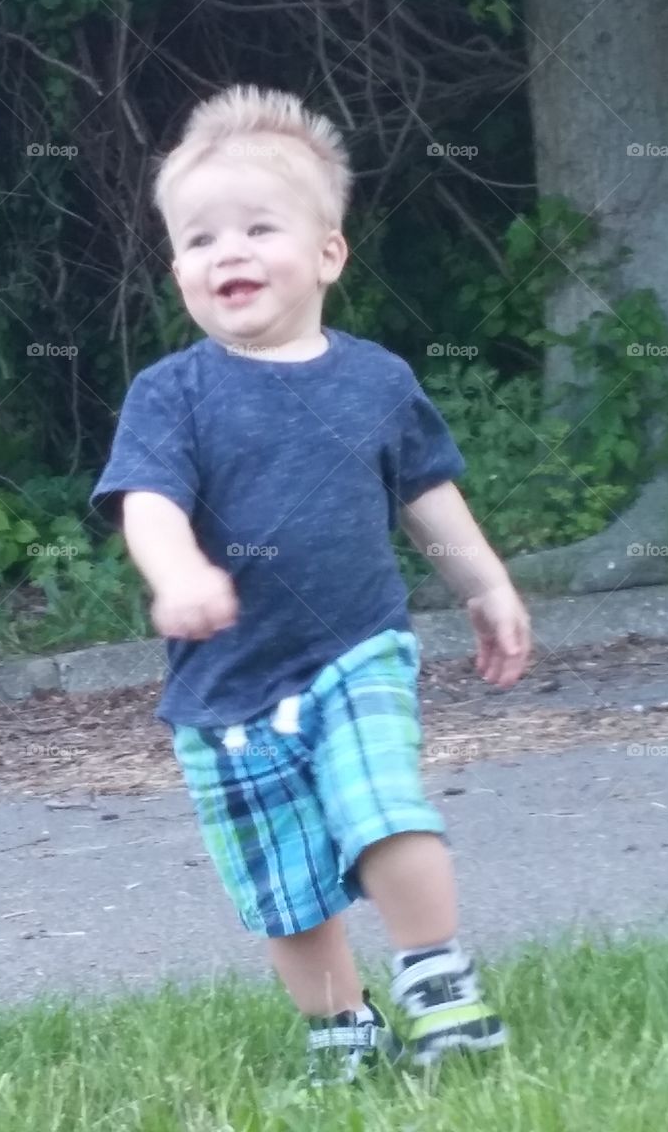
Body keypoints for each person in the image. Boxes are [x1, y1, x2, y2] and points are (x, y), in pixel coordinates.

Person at [90, 82, 532, 1086]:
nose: (227, 252)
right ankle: (345, 1024)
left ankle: (436, 978)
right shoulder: (173, 394)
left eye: (257, 226)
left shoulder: (375, 380)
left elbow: (429, 496)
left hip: (355, 651)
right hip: (224, 690)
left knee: (382, 800)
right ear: (177, 269)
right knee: (284, 883)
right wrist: (179, 571)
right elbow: (145, 502)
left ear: (328, 251)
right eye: (200, 238)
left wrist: (486, 586)